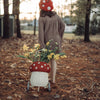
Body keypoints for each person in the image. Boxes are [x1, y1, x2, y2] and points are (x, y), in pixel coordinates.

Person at [39, 0, 65, 83]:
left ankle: (44, 79)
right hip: (56, 40)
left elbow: (41, 33)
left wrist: (42, 45)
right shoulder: (56, 16)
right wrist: (59, 36)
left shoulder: (42, 18)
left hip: (47, 41)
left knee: (45, 60)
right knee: (53, 60)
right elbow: (63, 26)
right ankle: (53, 79)